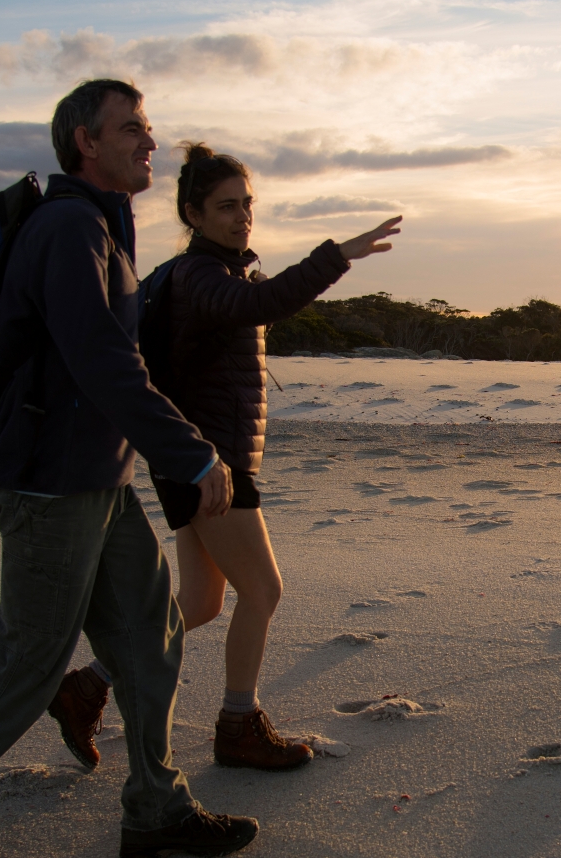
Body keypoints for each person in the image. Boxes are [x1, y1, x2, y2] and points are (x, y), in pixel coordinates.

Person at [0, 79, 253, 858]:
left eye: (147, 127)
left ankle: (156, 807)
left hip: (96, 481)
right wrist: (193, 455)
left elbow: (121, 363)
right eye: (132, 129)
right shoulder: (69, 229)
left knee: (150, 637)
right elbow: (106, 366)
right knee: (31, 661)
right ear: (86, 141)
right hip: (48, 485)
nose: (149, 141)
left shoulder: (102, 227)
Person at [46, 142, 400, 773]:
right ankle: (239, 723)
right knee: (263, 590)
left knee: (204, 602)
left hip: (200, 461)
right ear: (194, 213)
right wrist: (336, 256)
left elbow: (252, 305)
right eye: (225, 207)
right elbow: (259, 306)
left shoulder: (219, 273)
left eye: (247, 205)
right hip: (208, 464)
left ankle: (87, 686)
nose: (242, 217)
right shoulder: (201, 277)